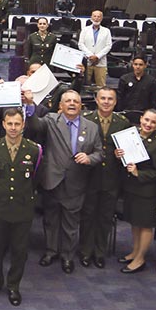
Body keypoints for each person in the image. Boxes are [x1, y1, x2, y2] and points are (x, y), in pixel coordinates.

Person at [24, 89, 103, 274]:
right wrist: (29, 105)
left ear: (81, 105)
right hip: (52, 180)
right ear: (61, 105)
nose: (72, 104)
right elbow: (35, 126)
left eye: (76, 101)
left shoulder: (91, 127)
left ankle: (67, 256)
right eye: (68, 101)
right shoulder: (51, 120)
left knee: (71, 224)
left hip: (76, 182)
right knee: (50, 221)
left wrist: (90, 158)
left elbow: (100, 153)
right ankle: (51, 251)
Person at [0, 108, 41, 306]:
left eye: (17, 124)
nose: (13, 128)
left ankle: (14, 285)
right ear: (3, 124)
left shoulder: (33, 149)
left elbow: (36, 179)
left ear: (23, 124)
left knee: (19, 250)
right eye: (10, 124)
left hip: (22, 207)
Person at [79, 87, 130, 269]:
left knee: (105, 217)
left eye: (110, 99)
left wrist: (122, 155)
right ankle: (85, 251)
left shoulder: (122, 122)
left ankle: (99, 252)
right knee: (88, 215)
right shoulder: (86, 120)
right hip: (90, 176)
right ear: (96, 100)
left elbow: (130, 152)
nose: (106, 102)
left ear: (115, 102)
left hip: (112, 177)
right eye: (103, 98)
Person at [114, 109, 156, 275]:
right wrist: (118, 155)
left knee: (145, 225)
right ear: (141, 119)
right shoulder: (131, 135)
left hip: (147, 191)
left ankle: (140, 258)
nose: (148, 124)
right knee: (135, 223)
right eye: (146, 120)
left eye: (153, 122)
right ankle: (135, 251)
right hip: (132, 188)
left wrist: (139, 173)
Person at [78, 10, 113, 87]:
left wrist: (97, 56)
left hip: (100, 62)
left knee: (101, 86)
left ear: (101, 18)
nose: (96, 18)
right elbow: (81, 44)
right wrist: (90, 55)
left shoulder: (106, 31)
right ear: (91, 17)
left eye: (98, 16)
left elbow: (108, 46)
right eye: (94, 16)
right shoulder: (85, 30)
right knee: (84, 85)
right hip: (87, 61)